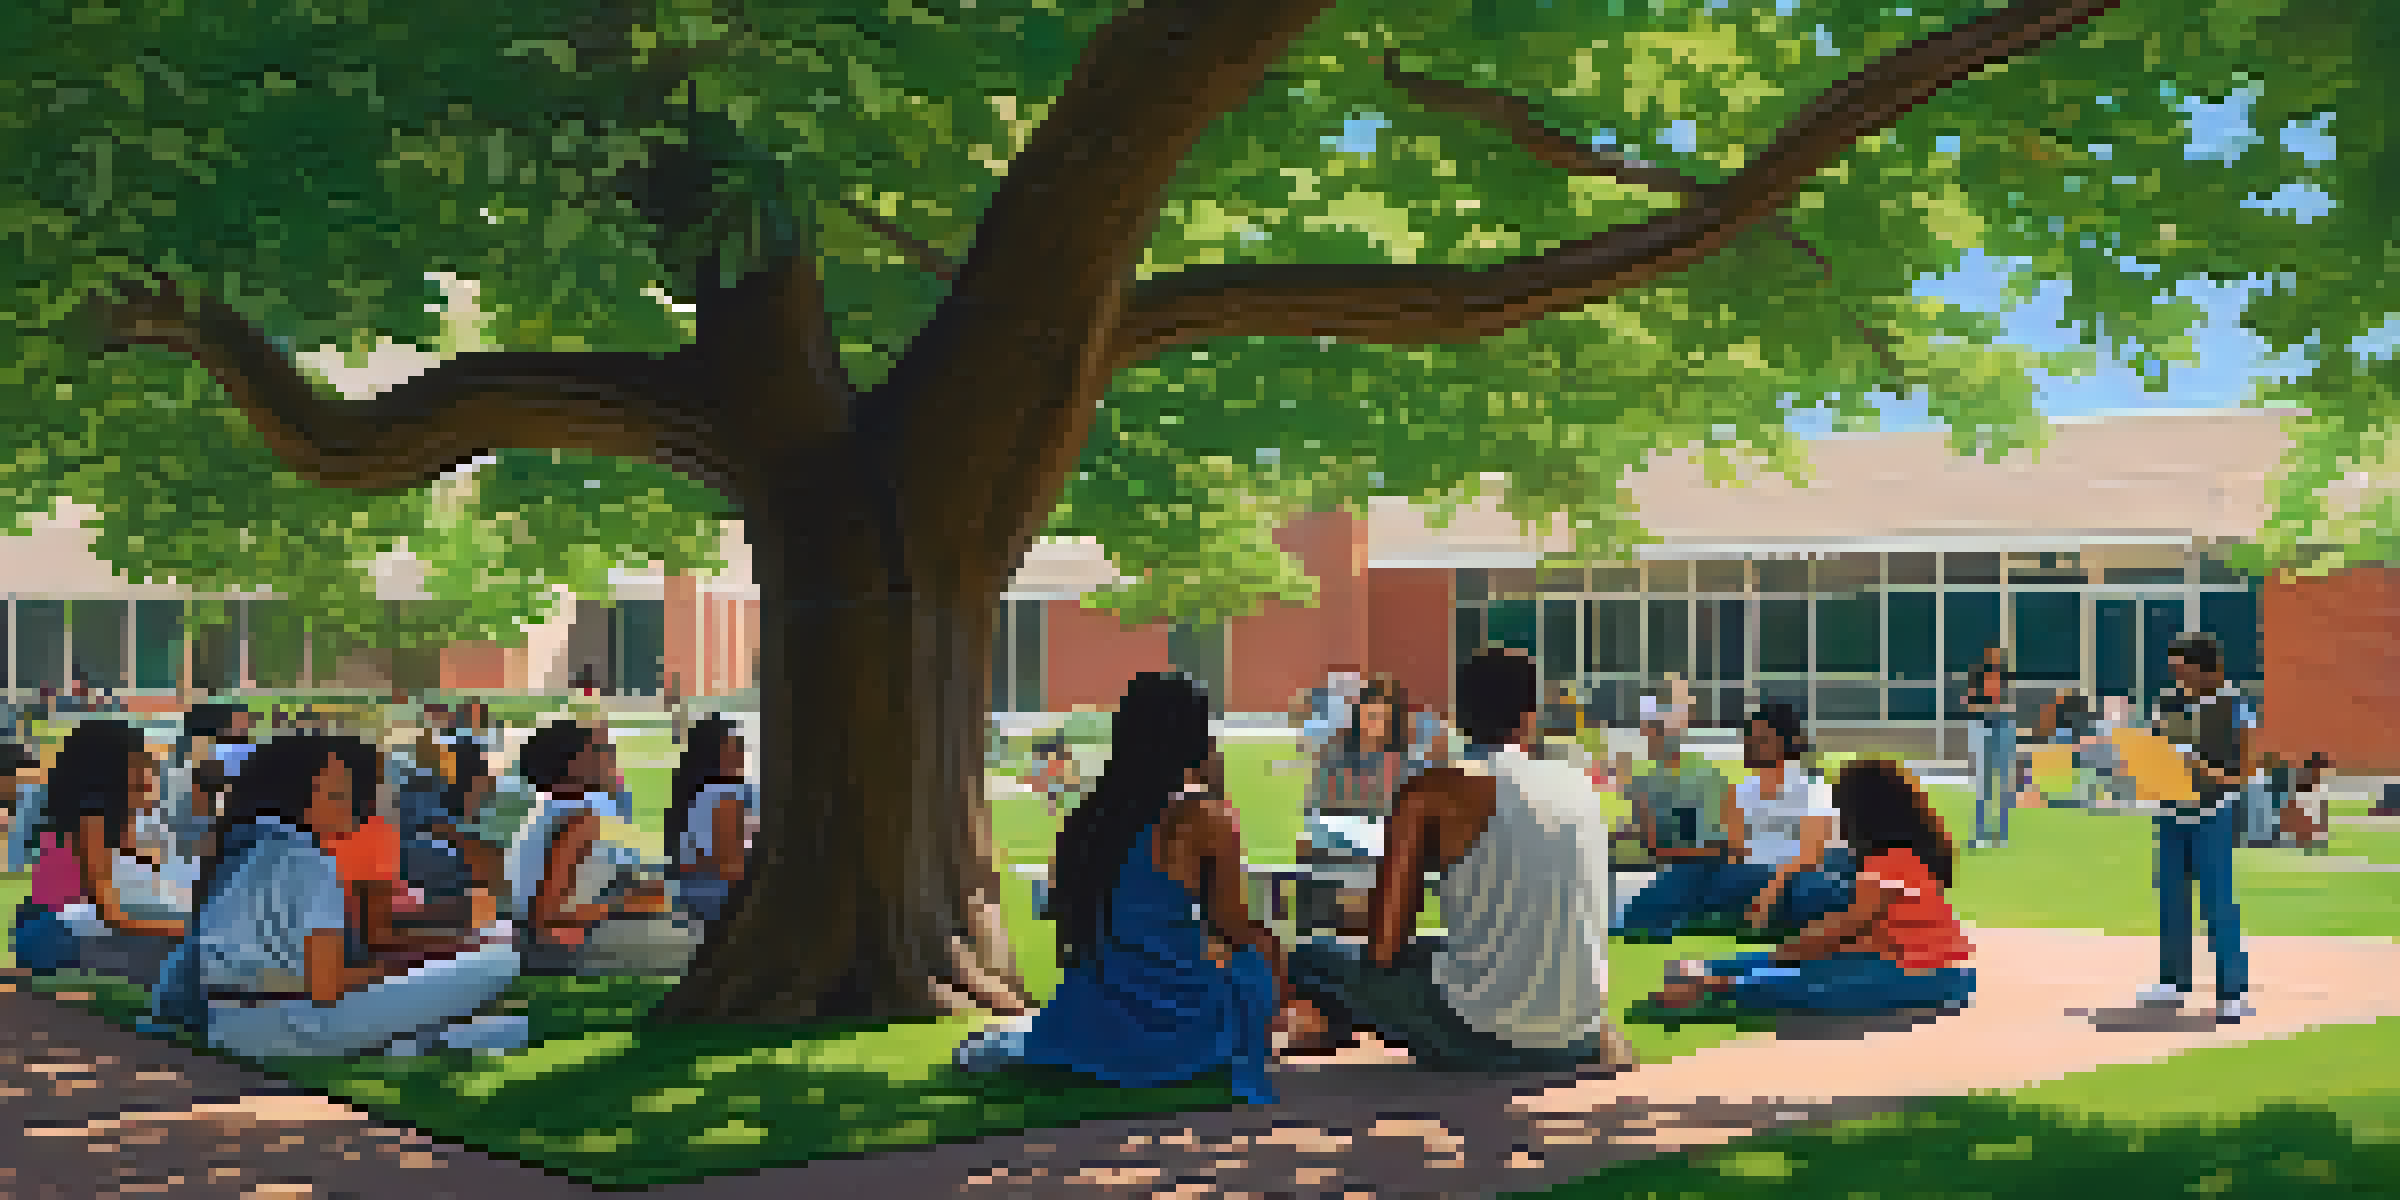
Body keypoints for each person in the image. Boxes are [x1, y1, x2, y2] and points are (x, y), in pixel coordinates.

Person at [1276, 649, 1635, 1074]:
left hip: (1477, 1032)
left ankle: (1327, 1026)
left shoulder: (1435, 792)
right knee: (1434, 950)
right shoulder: (1578, 787)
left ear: (1459, 715)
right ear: (1530, 715)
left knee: (1311, 956)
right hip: (1578, 1030)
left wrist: (1346, 914)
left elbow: (1383, 947)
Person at [953, 672, 1287, 1105]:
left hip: (1092, 1014)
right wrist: (1275, 955)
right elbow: (1232, 926)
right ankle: (1279, 1026)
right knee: (1259, 963)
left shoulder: (1089, 818)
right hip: (1176, 1021)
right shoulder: (1201, 816)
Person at [148, 734, 522, 1058]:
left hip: (229, 1024)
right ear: (297, 798)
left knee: (472, 1006)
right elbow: (327, 986)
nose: (351, 804)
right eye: (337, 794)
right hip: (302, 1025)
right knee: (496, 960)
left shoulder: (235, 847)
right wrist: (404, 969)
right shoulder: (308, 860)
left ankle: (416, 1042)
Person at [1649, 758, 1975, 1017]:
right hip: (1907, 965)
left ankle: (1711, 987)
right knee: (1808, 966)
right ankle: (1710, 974)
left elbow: (1844, 927)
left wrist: (1775, 958)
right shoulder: (1897, 857)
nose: (1838, 820)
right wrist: (1778, 956)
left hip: (1924, 977)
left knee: (1813, 987)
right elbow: (1852, 935)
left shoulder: (1892, 862)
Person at [507, 721, 700, 976]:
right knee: (703, 941)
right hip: (558, 948)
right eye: (601, 749)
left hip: (538, 941)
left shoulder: (550, 810)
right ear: (577, 764)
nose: (613, 757)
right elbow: (547, 914)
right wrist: (624, 904)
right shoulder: (584, 813)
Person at [7, 720, 189, 985]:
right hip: (54, 936)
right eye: (141, 778)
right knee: (179, 959)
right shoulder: (92, 820)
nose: (151, 787)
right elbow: (111, 912)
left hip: (61, 929)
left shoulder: (114, 823)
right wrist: (184, 928)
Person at [2138, 633, 2254, 1023]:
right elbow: (2155, 748)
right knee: (2171, 902)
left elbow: (2244, 774)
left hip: (2212, 814)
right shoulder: (2169, 703)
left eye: (2184, 671)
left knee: (2218, 903)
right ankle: (2172, 982)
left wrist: (2204, 770)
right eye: (2173, 671)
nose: (2178, 679)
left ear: (2210, 670)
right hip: (2171, 813)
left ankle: (2231, 992)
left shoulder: (2235, 707)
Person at [1611, 686, 1739, 941]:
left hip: (1703, 872)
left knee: (1640, 918)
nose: (1647, 736)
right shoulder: (1646, 781)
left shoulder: (1707, 777)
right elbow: (1653, 843)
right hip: (1686, 871)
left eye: (1654, 729)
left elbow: (1723, 846)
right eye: (1646, 729)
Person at [1296, 676, 1415, 938]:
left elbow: (1400, 814)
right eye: (1368, 714)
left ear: (1391, 722)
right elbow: (1317, 807)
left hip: (1380, 851)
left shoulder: (1402, 764)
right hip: (1334, 845)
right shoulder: (1334, 755)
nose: (1373, 723)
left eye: (1380, 717)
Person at [666, 717, 755, 927]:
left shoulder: (695, 795)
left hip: (691, 904)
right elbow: (732, 869)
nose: (742, 756)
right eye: (735, 748)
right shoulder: (723, 795)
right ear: (717, 756)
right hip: (717, 905)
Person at [1963, 644, 2015, 849]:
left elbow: (2007, 706)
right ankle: (1981, 833)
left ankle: (2002, 834)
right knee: (1983, 784)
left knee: (2002, 783)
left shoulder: (2006, 680)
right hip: (1983, 725)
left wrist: (1992, 706)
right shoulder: (1978, 677)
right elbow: (1971, 703)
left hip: (2001, 725)